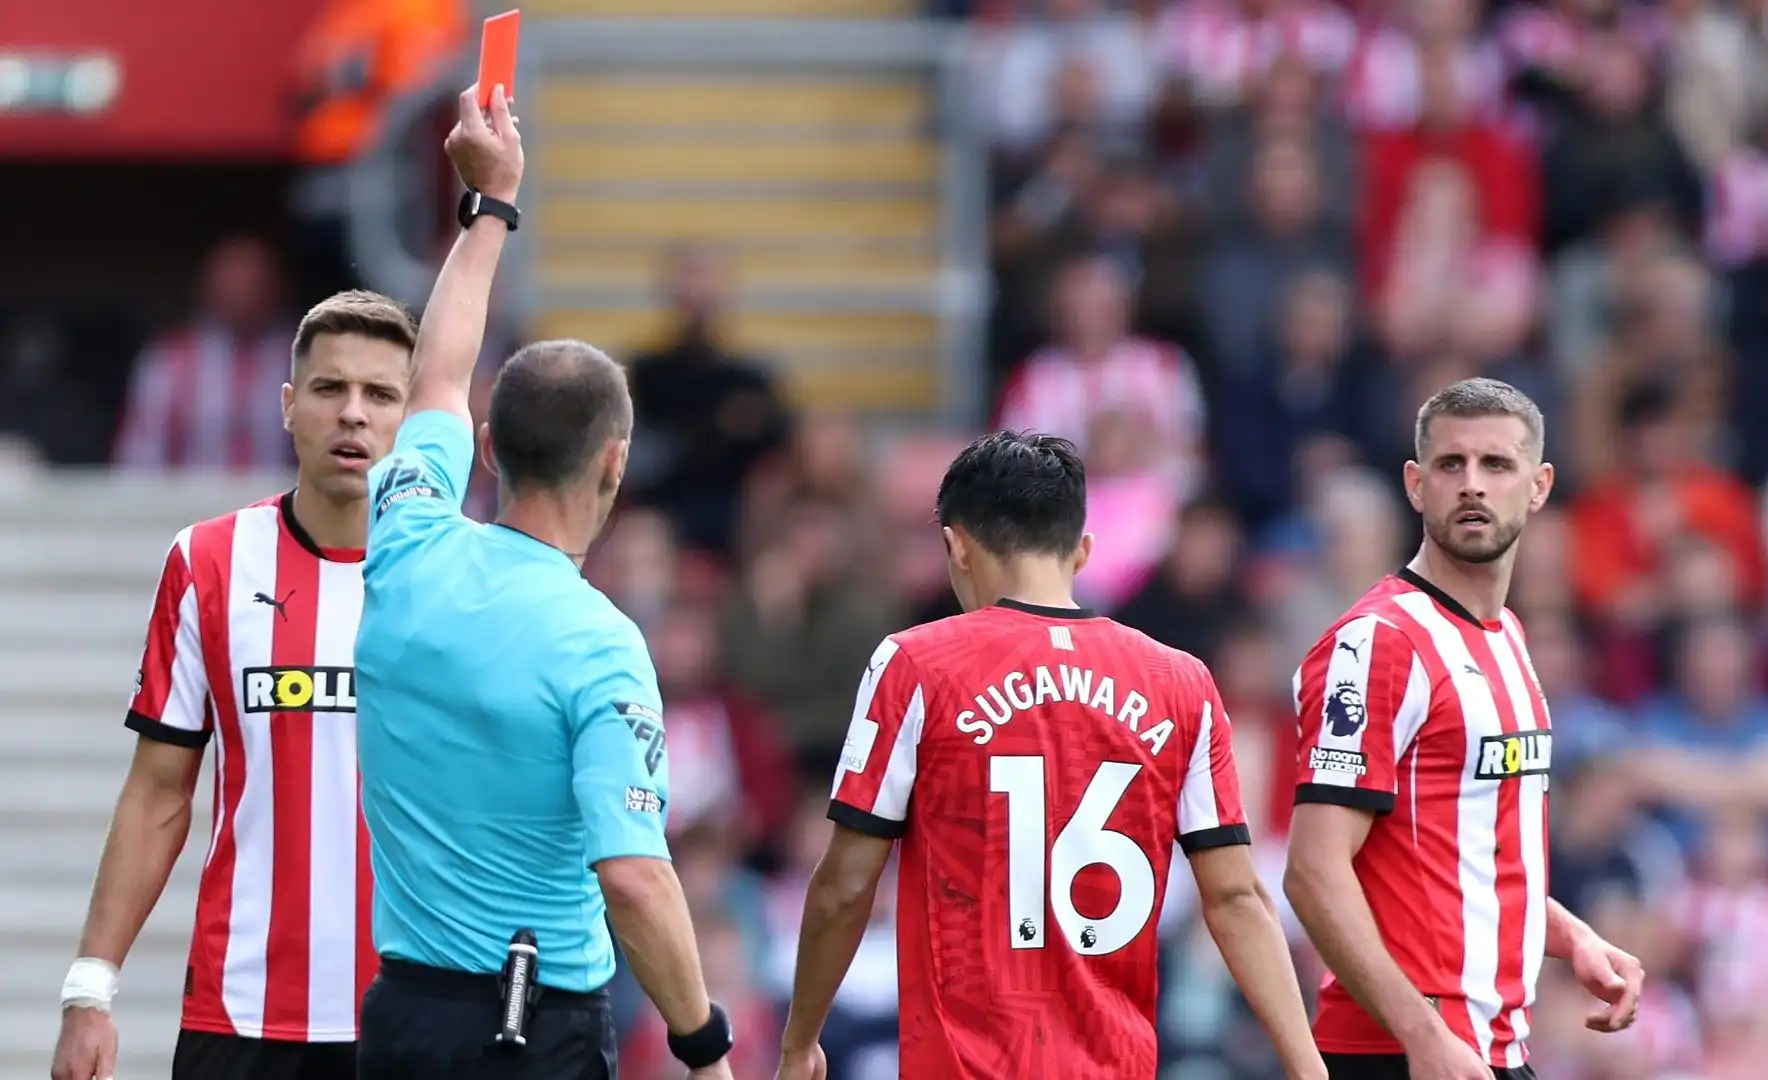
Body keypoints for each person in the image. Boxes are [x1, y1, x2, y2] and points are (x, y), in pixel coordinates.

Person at [350, 85, 733, 1080]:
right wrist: (705, 1051)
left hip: (400, 1020)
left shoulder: (405, 539)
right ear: (616, 464)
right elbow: (637, 881)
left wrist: (490, 209)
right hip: (531, 1032)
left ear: (485, 446)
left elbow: (433, 376)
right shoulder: (597, 642)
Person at [773, 431, 1325, 1080]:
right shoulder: (1183, 682)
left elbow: (845, 885)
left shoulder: (916, 666)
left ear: (955, 546)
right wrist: (1307, 1065)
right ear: (1082, 551)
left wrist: (799, 1042)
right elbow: (1236, 899)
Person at [49, 289, 419, 1080]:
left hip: (416, 1016)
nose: (353, 414)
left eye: (380, 394)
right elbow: (157, 792)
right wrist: (90, 988)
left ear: (411, 421)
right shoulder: (209, 562)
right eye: (329, 389)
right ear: (288, 406)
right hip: (243, 1015)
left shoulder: (456, 581)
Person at [1282, 378, 1648, 1080]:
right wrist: (1422, 1035)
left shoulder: (1505, 633)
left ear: (1538, 486)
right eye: (1452, 465)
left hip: (1486, 1049)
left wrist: (1572, 939)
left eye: (1496, 465)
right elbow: (1313, 872)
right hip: (1399, 1053)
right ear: (1416, 486)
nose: (1472, 485)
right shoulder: (1377, 644)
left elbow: (1465, 855)